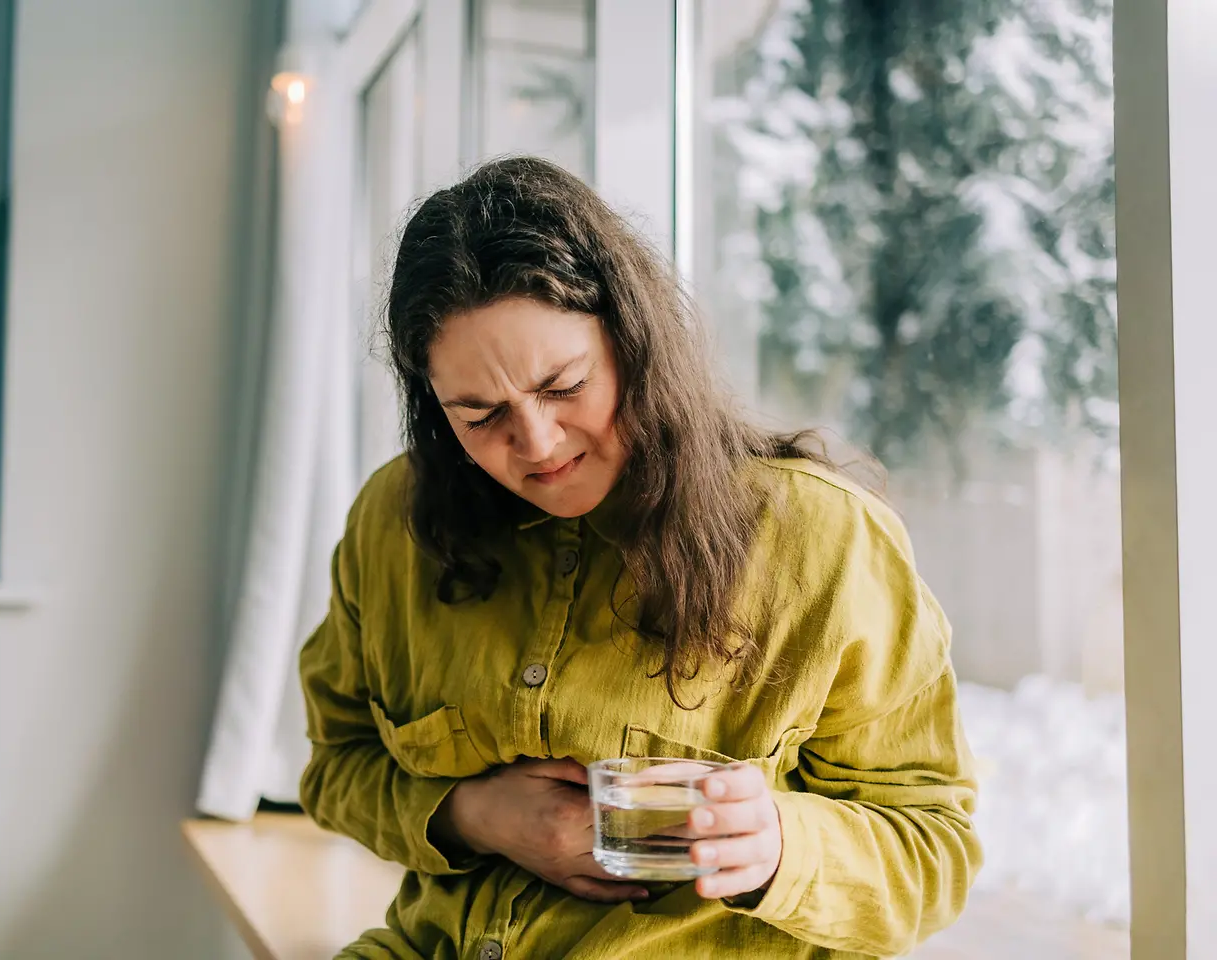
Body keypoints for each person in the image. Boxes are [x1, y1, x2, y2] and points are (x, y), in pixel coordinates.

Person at [298, 156, 980, 959]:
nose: (537, 445)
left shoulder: (821, 540)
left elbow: (932, 849)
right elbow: (335, 767)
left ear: (634, 341)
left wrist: (779, 848)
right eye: (479, 416)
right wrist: (476, 814)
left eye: (564, 386)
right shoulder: (394, 522)